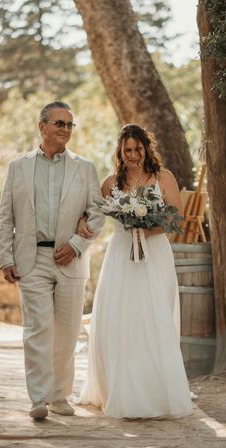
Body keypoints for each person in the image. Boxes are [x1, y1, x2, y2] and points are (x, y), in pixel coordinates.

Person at [75, 124, 193, 419]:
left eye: (137, 149)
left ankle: (157, 391)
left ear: (146, 148)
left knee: (155, 318)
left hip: (155, 255)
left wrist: (147, 226)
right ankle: (121, 389)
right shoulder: (111, 183)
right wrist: (80, 221)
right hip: (121, 256)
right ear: (120, 152)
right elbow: (90, 209)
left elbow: (176, 219)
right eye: (127, 150)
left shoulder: (163, 178)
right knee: (121, 318)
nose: (133, 155)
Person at [0, 101, 104, 419]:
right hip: (31, 259)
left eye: (70, 125)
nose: (66, 130)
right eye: (60, 123)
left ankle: (60, 396)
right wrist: (6, 257)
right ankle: (40, 399)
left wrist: (75, 244)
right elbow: (6, 216)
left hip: (71, 260)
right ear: (42, 126)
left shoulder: (85, 168)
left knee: (67, 331)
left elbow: (97, 213)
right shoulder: (18, 167)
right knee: (37, 329)